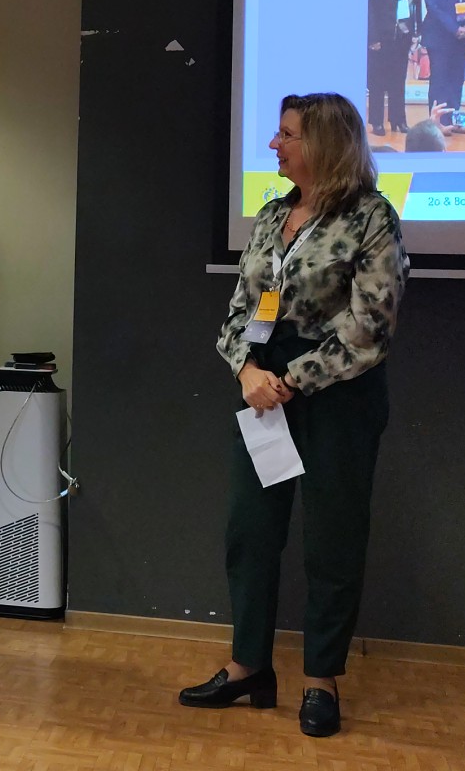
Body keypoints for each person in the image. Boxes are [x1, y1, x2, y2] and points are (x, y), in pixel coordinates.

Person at [183, 92, 407, 738]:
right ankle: (248, 666)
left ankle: (321, 680)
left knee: (333, 540)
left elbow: (371, 328)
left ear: (325, 145)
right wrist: (247, 371)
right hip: (263, 391)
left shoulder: (372, 216)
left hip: (338, 396)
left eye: (286, 135)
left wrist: (290, 380)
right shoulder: (272, 214)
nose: (273, 145)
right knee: (250, 532)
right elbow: (244, 308)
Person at [364, 0, 422, 136]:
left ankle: (399, 119)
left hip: (404, 30)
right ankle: (377, 121)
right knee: (378, 79)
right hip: (383, 33)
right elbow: (369, 5)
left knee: (398, 78)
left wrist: (416, 29)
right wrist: (373, 37)